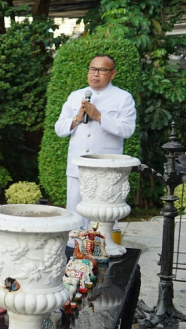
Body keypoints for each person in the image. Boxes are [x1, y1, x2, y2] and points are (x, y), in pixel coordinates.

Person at [54, 55, 136, 229]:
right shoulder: (75, 96)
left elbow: (128, 130)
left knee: (104, 214)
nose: (96, 74)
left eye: (102, 70)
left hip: (107, 168)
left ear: (112, 74)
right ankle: (74, 249)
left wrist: (99, 116)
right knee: (75, 214)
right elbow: (59, 128)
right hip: (78, 164)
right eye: (92, 69)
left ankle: (104, 248)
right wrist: (76, 119)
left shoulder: (123, 98)